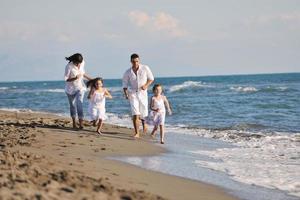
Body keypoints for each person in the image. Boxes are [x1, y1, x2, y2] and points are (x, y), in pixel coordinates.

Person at [122, 53, 154, 138]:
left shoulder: (145, 68)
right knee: (135, 113)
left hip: (142, 93)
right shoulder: (128, 72)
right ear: (131, 62)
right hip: (132, 93)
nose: (135, 63)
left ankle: (144, 123)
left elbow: (151, 78)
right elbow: (124, 84)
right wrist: (126, 94)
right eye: (133, 62)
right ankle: (137, 133)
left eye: (137, 61)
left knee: (143, 112)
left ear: (139, 60)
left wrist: (146, 85)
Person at [64, 53, 92, 129]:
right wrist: (75, 78)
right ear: (74, 61)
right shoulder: (69, 67)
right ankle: (74, 122)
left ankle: (81, 123)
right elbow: (66, 79)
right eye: (77, 63)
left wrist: (92, 79)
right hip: (70, 89)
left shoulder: (82, 63)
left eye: (80, 63)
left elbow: (83, 74)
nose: (79, 64)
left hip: (80, 87)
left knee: (79, 103)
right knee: (72, 105)